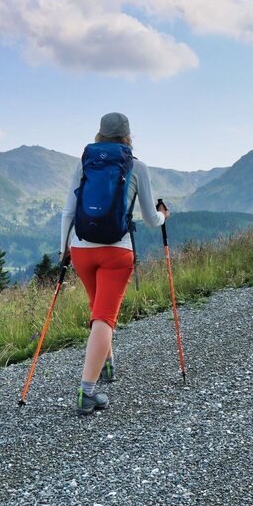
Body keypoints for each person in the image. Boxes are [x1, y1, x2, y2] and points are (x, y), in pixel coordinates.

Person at [60, 112, 170, 415]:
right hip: (116, 252)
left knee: (98, 309)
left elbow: (68, 211)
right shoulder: (138, 167)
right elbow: (150, 218)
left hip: (81, 249)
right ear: (127, 136)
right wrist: (164, 216)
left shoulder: (84, 163)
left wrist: (63, 250)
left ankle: (106, 366)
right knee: (105, 317)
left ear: (99, 135)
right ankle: (87, 392)